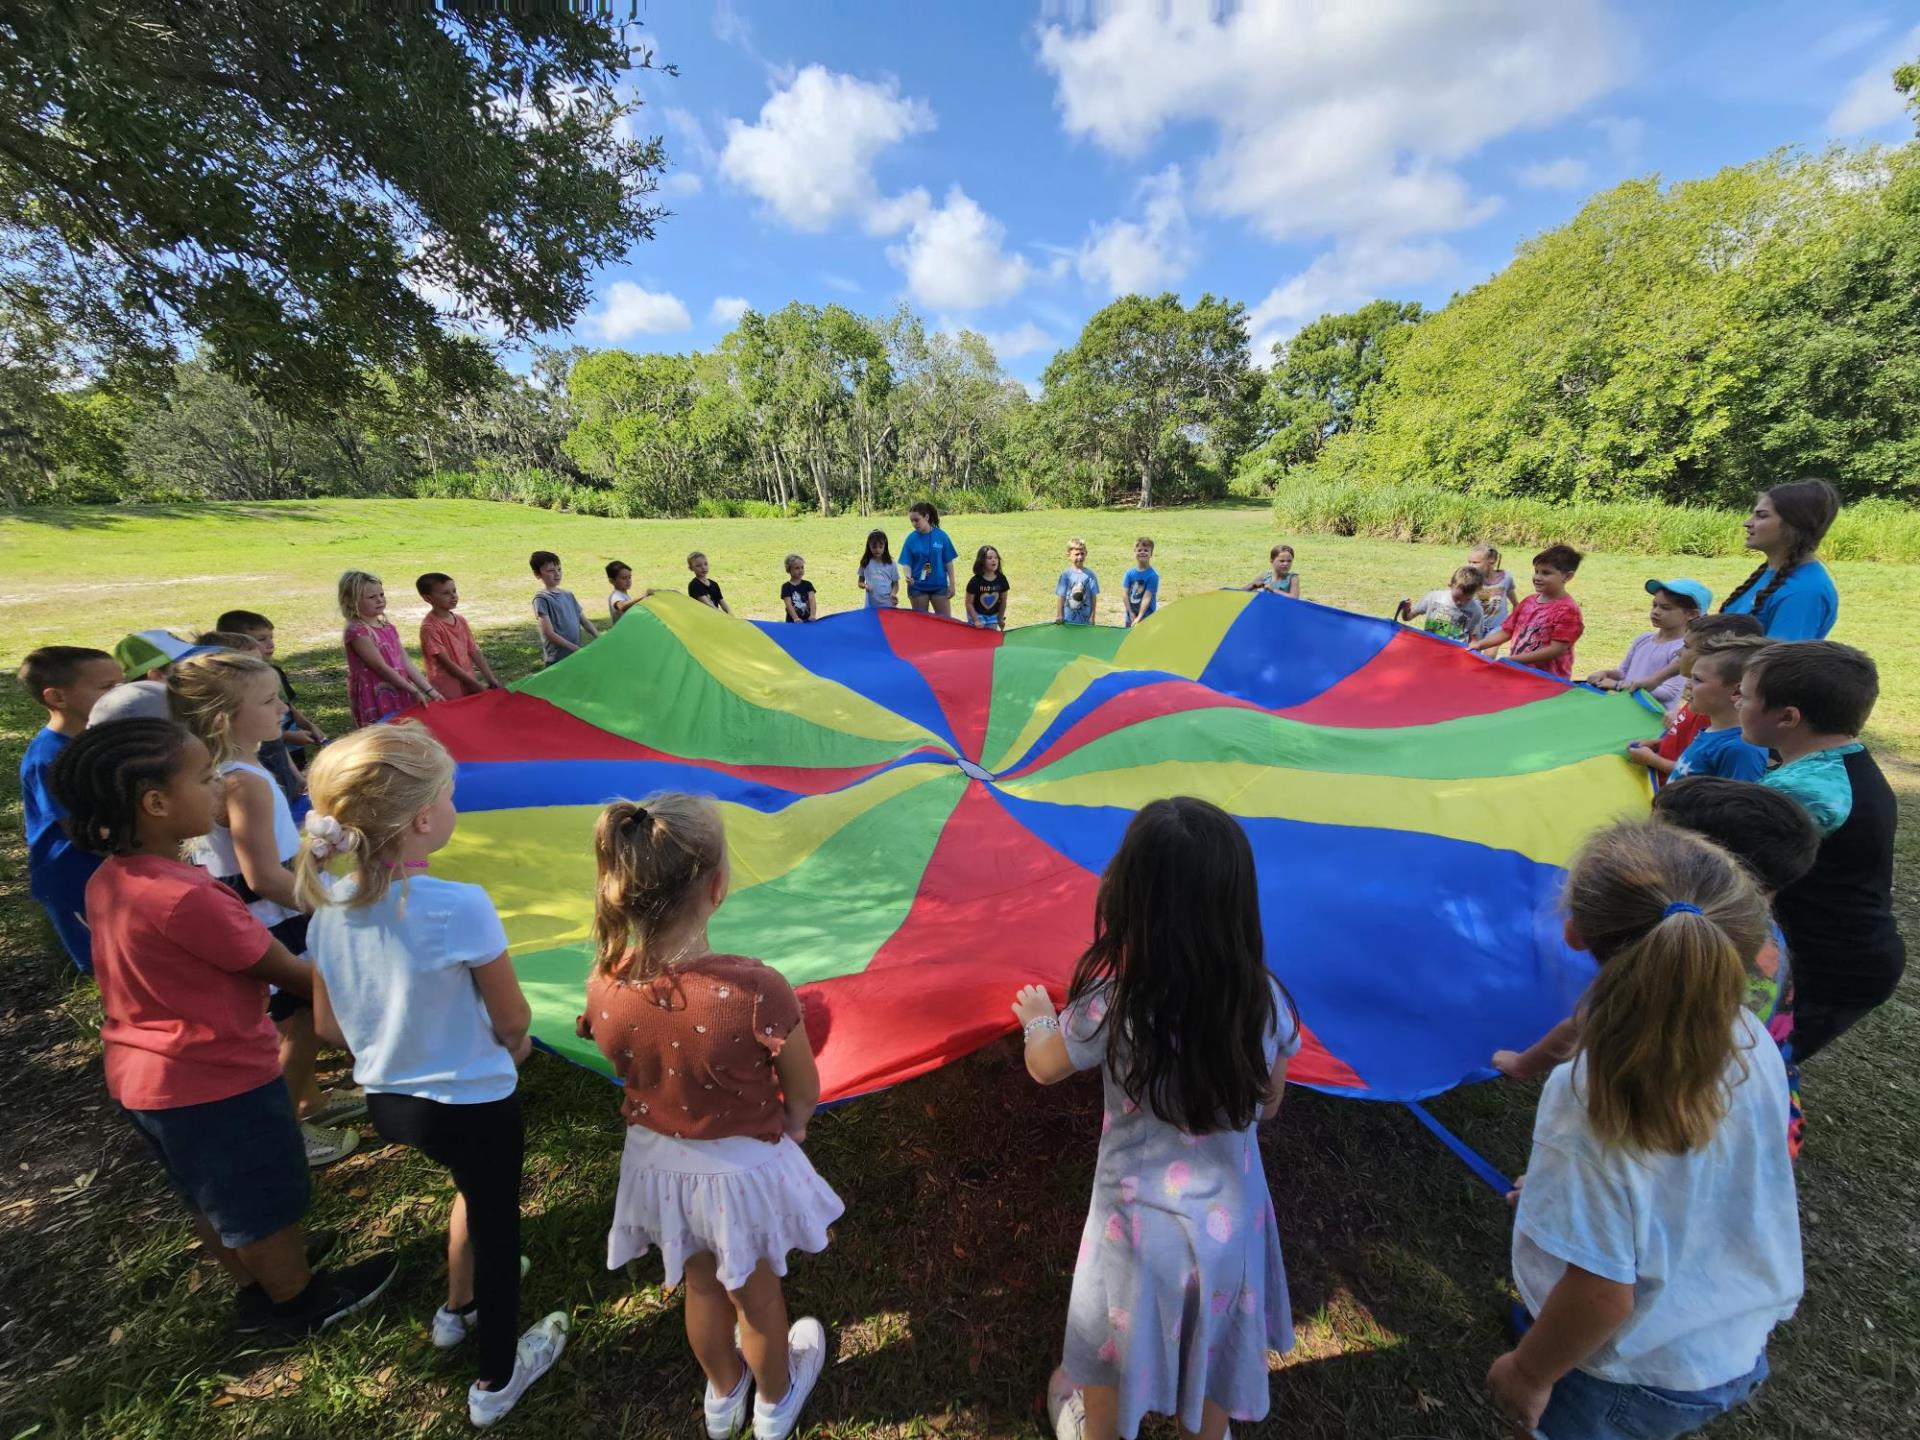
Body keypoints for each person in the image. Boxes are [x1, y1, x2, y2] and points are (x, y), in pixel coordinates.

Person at [50, 718, 398, 1338]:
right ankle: (297, 1302)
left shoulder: (112, 879)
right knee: (260, 1194)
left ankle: (255, 1281)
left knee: (212, 1193)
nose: (218, 786)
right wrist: (377, 957)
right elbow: (291, 975)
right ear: (156, 803)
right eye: (204, 778)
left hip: (144, 1072)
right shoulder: (191, 898)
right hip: (215, 1076)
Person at [1487, 821, 1801, 1439]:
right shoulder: (1747, 1036)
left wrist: (1528, 1371)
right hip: (1727, 1330)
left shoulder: (1589, 1097)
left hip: (1625, 1369)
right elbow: (1701, 1172)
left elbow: (1602, 1296)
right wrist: (1568, 1204)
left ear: (1574, 933)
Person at [297, 723, 568, 1427]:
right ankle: (497, 1380)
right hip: (471, 1103)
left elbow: (327, 1028)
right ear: (423, 818)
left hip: (392, 1102)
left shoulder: (328, 906)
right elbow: (512, 1019)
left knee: (470, 1192)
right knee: (499, 1227)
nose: (455, 806)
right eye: (450, 796)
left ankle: (459, 1306)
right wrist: (512, 1050)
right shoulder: (458, 905)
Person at [1012, 797, 1299, 1440]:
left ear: (1133, 905)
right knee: (1215, 1351)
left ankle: (1098, 1426)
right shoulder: (1267, 1004)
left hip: (1133, 1237)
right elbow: (1270, 1102)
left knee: (1109, 1353)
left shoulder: (1113, 1007)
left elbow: (1044, 1065)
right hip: (1229, 1230)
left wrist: (1037, 1018)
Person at [578, 794, 842, 1440]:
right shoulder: (757, 991)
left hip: (660, 1169)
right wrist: (799, 1122)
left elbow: (618, 1048)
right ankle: (776, 1401)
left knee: (699, 1284)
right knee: (756, 1295)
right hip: (735, 1176)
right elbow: (801, 1086)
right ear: (718, 886)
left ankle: (723, 1397)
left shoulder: (604, 985)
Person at [1491, 780, 1819, 1092]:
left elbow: (1590, 1021)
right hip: (1762, 1096)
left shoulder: (1669, 963)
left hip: (1676, 1113)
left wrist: (1522, 1064)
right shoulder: (1750, 926)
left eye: (1659, 838)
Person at [169, 652, 363, 1166]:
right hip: (275, 922)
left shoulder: (232, 769)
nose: (283, 707)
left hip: (267, 912)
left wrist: (310, 852)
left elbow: (259, 856)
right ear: (222, 718)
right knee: (295, 1021)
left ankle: (309, 1098)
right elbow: (262, 877)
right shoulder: (245, 781)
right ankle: (285, 1129)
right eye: (269, 699)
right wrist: (328, 899)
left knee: (300, 1015)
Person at [1741, 642, 1903, 1061]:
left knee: (1748, 1065)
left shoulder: (1801, 792)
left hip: (1825, 969)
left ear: (1787, 717)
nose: (1735, 701)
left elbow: (1741, 888)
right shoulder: (1839, 762)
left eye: (1744, 694)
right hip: (1839, 957)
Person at [17, 645, 122, 971]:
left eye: (121, 684)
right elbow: (81, 830)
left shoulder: (94, 738)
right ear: (57, 698)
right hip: (79, 879)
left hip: (114, 870)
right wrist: (150, 857)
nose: (119, 694)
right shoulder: (52, 759)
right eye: (106, 688)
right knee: (111, 963)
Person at [1625, 614, 1765, 780]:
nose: (1679, 652)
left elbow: (1734, 797)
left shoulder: (1736, 745)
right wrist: (1658, 745)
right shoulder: (1709, 717)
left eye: (1686, 646)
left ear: (1736, 692)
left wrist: (1653, 760)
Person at [216, 609, 327, 800]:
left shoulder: (271, 673)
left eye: (271, 637)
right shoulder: (244, 777)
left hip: (285, 754)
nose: (270, 644)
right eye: (262, 639)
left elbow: (288, 707)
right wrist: (290, 735)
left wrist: (308, 726)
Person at [1720, 479, 1841, 640]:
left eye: (1761, 516)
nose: (1747, 523)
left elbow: (1778, 663)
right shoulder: (1772, 572)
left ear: (1794, 524)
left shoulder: (1804, 592)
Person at [340, 569, 439, 726]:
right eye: (372, 597)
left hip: (400, 689)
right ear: (352, 601)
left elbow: (405, 662)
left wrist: (429, 690)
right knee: (384, 740)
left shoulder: (388, 627)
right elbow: (380, 667)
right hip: (376, 696)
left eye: (381, 595)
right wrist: (412, 690)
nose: (379, 600)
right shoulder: (358, 631)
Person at [1469, 544, 1584, 678]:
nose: (1537, 577)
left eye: (1546, 573)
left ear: (1567, 577)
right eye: (1536, 571)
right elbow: (1507, 631)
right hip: (1519, 674)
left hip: (1549, 680)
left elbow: (1556, 650)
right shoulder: (1528, 602)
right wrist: (1479, 644)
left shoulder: (1568, 610)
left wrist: (1513, 660)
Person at [1588, 580, 1704, 709]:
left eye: (1665, 608)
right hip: (1627, 710)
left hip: (1653, 719)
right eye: (1654, 605)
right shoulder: (1643, 639)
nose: (1656, 611)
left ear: (1692, 614)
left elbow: (1669, 692)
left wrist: (1619, 685)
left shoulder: (1683, 650)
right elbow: (1623, 672)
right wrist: (1606, 674)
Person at [416, 573, 501, 698]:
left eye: (454, 591)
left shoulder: (460, 620)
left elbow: (473, 650)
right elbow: (447, 664)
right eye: (446, 593)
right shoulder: (429, 628)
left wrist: (490, 678)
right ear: (428, 598)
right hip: (448, 689)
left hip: (469, 682)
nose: (453, 596)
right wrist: (477, 686)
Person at [530, 550, 598, 662]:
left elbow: (584, 622)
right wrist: (576, 649)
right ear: (537, 574)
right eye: (551, 571)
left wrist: (598, 636)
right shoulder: (541, 599)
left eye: (559, 569)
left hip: (575, 657)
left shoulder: (568, 595)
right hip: (557, 660)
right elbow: (549, 633)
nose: (557, 573)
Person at [900, 501, 960, 617]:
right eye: (911, 521)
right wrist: (908, 576)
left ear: (926, 517)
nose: (914, 524)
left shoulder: (942, 536)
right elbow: (906, 562)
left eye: (916, 520)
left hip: (939, 586)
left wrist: (952, 584)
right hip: (917, 587)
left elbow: (948, 562)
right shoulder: (910, 539)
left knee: (945, 623)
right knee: (921, 626)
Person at [1396, 565, 1486, 641]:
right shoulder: (1433, 597)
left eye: (1467, 599)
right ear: (1450, 586)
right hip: (1429, 647)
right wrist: (1406, 608)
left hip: (1455, 654)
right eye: (1457, 597)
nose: (1460, 603)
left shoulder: (1476, 610)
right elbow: (1407, 617)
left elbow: (1475, 639)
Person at [1466, 542, 1517, 638]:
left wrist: (1516, 606)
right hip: (1475, 625)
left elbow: (1510, 592)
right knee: (1473, 651)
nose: (1470, 566)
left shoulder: (1506, 577)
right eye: (1469, 562)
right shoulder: (1468, 579)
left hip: (1498, 625)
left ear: (1492, 561)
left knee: (1490, 653)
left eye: (1475, 562)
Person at [1055, 538, 1100, 626]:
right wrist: (1059, 614)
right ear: (1069, 555)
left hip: (1085, 620)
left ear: (1086, 554)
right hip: (1067, 620)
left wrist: (1092, 616)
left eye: (1082, 554)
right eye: (1076, 554)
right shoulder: (1066, 575)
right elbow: (1061, 596)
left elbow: (1093, 597)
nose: (1080, 557)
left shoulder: (1090, 575)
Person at [966, 545, 1011, 630]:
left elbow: (1003, 601)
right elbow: (969, 603)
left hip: (993, 616)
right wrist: (976, 620)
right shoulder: (975, 581)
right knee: (977, 639)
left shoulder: (1002, 579)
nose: (994, 560)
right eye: (989, 558)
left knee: (990, 638)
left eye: (996, 558)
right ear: (982, 561)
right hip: (977, 615)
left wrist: (1000, 618)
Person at [1120, 538, 1159, 627]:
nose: (1142, 552)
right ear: (1134, 553)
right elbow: (1124, 594)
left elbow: (1147, 597)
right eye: (1139, 550)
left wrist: (1140, 617)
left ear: (1151, 554)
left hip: (1146, 617)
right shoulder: (1129, 573)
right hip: (1131, 616)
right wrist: (1129, 611)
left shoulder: (1153, 576)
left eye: (1146, 550)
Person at [857, 530, 900, 609]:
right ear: (869, 546)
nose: (877, 550)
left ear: (885, 546)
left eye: (881, 547)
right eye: (874, 547)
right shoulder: (865, 562)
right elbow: (860, 582)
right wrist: (864, 585)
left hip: (888, 604)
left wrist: (893, 594)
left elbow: (896, 584)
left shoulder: (891, 563)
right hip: (871, 605)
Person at [780, 554, 819, 623]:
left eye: (802, 567)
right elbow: (788, 605)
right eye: (797, 568)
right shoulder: (786, 587)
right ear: (789, 570)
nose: (800, 570)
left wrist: (812, 615)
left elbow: (812, 600)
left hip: (808, 620)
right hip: (793, 622)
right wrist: (796, 618)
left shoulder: (808, 584)